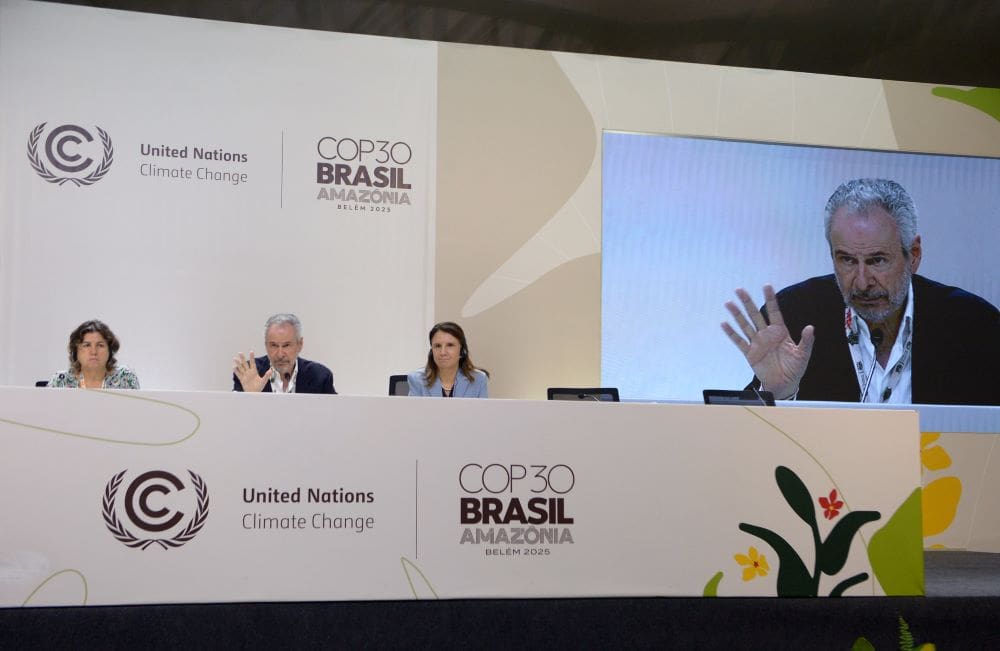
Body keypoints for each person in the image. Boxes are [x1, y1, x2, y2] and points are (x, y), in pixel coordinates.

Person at [722, 178, 999, 406]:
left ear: (913, 255)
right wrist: (780, 394)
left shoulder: (974, 325)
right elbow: (753, 444)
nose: (862, 282)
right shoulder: (793, 315)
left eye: (877, 260)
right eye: (847, 260)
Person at [233, 313, 336, 394]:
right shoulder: (248, 374)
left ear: (300, 344)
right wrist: (250, 397)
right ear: (266, 345)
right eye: (273, 345)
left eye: (286, 345)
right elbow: (234, 417)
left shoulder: (320, 377)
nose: (280, 354)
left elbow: (334, 416)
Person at [49, 319, 140, 389]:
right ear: (76, 350)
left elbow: (137, 412)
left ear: (110, 350)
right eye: (87, 345)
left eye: (100, 345)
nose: (93, 352)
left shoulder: (125, 377)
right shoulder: (60, 380)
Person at [407, 321, 489, 398]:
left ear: (462, 351)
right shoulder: (417, 379)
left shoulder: (479, 379)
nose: (443, 352)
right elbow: (414, 412)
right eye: (437, 346)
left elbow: (482, 412)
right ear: (432, 351)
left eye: (450, 345)